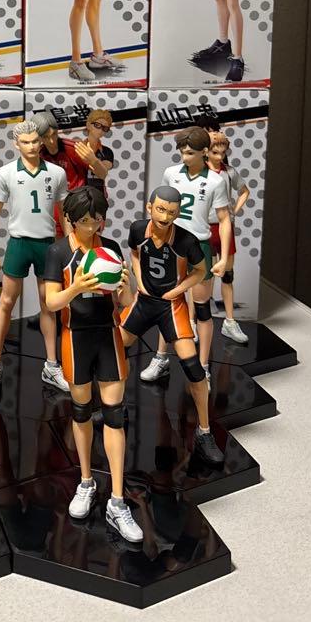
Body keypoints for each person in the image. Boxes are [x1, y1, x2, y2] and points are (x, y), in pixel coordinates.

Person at [42, 186, 142, 540]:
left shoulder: (110, 248)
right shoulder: (57, 252)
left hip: (107, 336)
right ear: (70, 219)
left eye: (97, 219)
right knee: (81, 411)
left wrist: (126, 288)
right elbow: (51, 303)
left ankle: (117, 500)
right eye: (85, 220)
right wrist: (75, 287)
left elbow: (125, 301)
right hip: (75, 338)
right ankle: (85, 481)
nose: (92, 226)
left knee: (115, 415)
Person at [119, 186, 225, 465]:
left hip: (171, 306)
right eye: (160, 209)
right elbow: (133, 253)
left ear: (178, 213)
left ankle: (204, 433)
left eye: (171, 212)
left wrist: (178, 290)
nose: (165, 217)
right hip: (144, 301)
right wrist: (139, 279)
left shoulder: (186, 240)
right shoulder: (137, 229)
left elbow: (201, 271)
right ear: (149, 207)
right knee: (114, 349)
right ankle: (115, 406)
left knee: (193, 368)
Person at [141, 127, 231, 383]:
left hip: (199, 245)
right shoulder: (171, 173)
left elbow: (224, 220)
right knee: (165, 304)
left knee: (202, 309)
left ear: (205, 151)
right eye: (182, 151)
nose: (184, 156)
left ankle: (202, 367)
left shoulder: (216, 181)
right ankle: (161, 358)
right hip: (172, 244)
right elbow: (161, 209)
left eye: (190, 152)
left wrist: (224, 258)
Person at [0, 120, 70, 390]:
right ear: (16, 144)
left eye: (35, 141)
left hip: (47, 244)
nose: (32, 146)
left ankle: (51, 365)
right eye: (26, 142)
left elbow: (64, 213)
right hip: (19, 243)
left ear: (42, 141)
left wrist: (71, 246)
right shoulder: (6, 173)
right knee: (6, 302)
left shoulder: (56, 172)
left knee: (49, 304)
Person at [208, 132, 250, 344]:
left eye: (223, 153)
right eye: (215, 152)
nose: (219, 157)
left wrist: (235, 210)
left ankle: (230, 321)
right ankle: (192, 320)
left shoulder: (229, 171)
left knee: (227, 275)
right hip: (204, 228)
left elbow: (244, 191)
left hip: (224, 227)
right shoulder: (198, 171)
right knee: (200, 277)